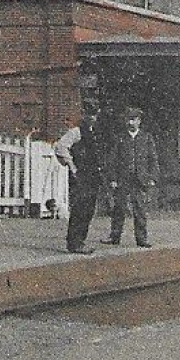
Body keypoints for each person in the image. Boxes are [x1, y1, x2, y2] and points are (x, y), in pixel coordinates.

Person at [54, 102, 104, 254]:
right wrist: (71, 165)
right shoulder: (76, 131)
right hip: (81, 175)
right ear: (83, 114)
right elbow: (60, 147)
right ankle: (74, 242)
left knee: (89, 209)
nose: (91, 117)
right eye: (89, 114)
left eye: (94, 114)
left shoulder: (95, 131)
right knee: (80, 209)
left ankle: (81, 241)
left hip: (93, 175)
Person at [105, 106, 159, 248]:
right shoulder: (120, 138)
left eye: (134, 120)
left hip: (140, 179)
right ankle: (114, 236)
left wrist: (152, 177)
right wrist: (113, 179)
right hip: (123, 179)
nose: (131, 123)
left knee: (140, 209)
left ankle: (142, 239)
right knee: (119, 208)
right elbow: (112, 160)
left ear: (139, 121)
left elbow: (153, 159)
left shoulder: (147, 138)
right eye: (129, 119)